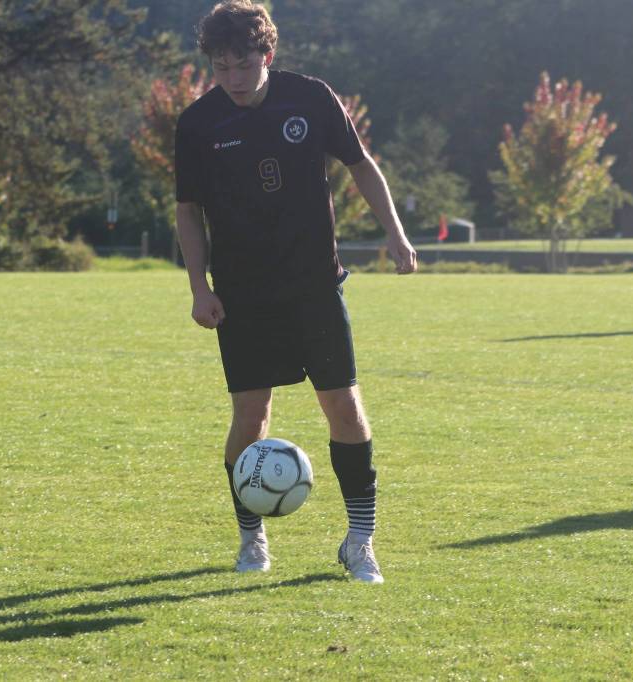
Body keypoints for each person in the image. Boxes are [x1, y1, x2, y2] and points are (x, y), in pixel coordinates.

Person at [174, 0, 417, 583]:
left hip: (314, 284)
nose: (232, 78)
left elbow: (361, 166)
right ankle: (251, 539)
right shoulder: (198, 122)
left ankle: (360, 541)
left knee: (345, 406)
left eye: (243, 64)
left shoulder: (310, 97)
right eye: (221, 66)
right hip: (242, 294)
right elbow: (187, 209)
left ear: (268, 54)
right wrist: (198, 287)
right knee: (251, 417)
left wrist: (395, 232)